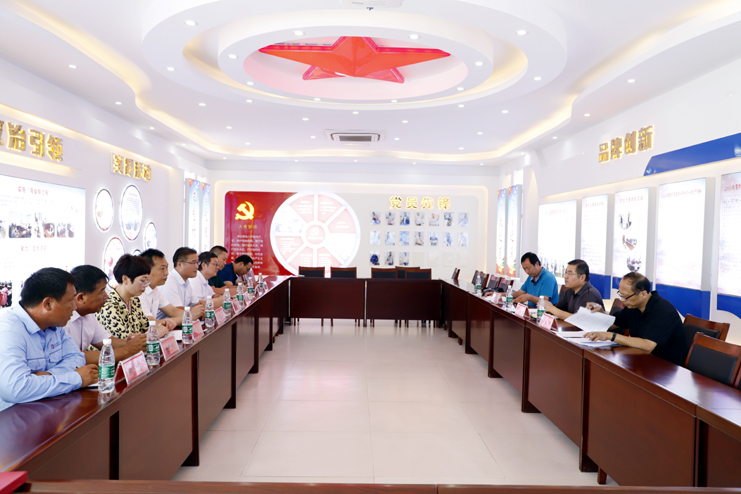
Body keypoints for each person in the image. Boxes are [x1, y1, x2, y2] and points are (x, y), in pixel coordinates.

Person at [0, 268, 98, 412]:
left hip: (46, 408)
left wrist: (49, 376)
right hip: (12, 416)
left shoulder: (55, 325)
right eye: (70, 301)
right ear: (48, 304)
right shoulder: (9, 332)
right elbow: (15, 389)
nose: (75, 307)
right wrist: (76, 378)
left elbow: (76, 357)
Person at [584, 273, 690, 366]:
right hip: (642, 358)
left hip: (667, 366)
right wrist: (601, 312)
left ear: (643, 294)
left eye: (626, 296)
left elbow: (648, 345)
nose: (622, 300)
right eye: (620, 295)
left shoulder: (663, 310)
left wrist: (611, 336)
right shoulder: (634, 306)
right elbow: (616, 323)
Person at [66, 265, 146, 364]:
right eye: (102, 291)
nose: (106, 296)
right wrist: (127, 350)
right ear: (81, 298)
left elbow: (108, 342)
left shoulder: (89, 315)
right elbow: (75, 356)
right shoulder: (63, 320)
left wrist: (128, 342)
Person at [96, 255, 151, 339]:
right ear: (125, 279)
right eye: (142, 281)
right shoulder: (108, 305)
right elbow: (124, 341)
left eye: (147, 281)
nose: (146, 285)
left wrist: (165, 324)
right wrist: (155, 333)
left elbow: (146, 326)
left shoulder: (134, 300)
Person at [138, 249, 183, 328]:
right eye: (162, 268)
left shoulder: (155, 289)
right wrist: (189, 316)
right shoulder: (138, 293)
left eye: (166, 268)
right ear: (147, 270)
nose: (166, 273)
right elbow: (151, 324)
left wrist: (190, 314)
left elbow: (172, 311)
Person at [160, 247, 205, 319]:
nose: (197, 267)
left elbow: (196, 304)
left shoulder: (186, 281)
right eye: (193, 263)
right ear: (179, 264)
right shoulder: (169, 281)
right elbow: (176, 310)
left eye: (197, 263)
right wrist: (196, 311)